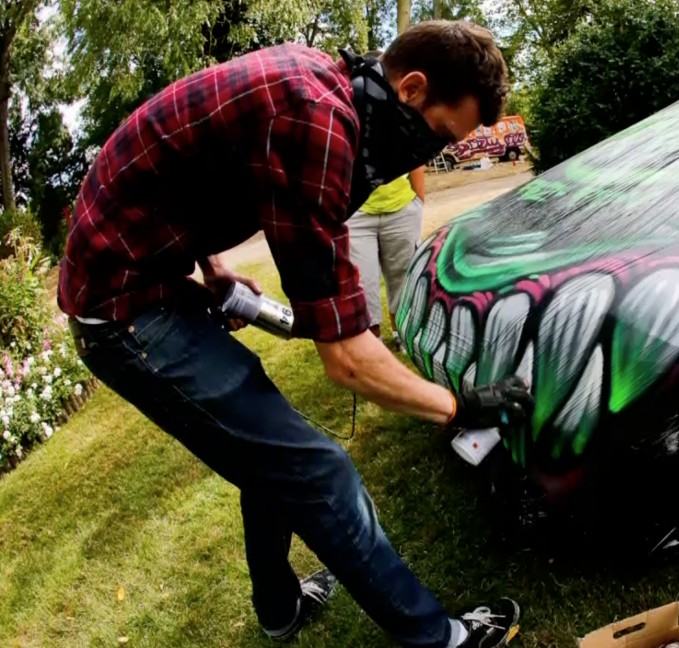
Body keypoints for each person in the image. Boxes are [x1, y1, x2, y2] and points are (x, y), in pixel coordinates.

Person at [57, 20, 531, 648]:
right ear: (412, 89)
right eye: (439, 136)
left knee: (270, 456)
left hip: (148, 278)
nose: (426, 155)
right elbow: (349, 361)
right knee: (316, 468)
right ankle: (440, 640)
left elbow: (187, 167)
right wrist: (459, 406)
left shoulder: (321, 79)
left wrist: (215, 266)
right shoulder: (315, 120)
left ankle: (279, 611)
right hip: (123, 314)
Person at [347, 49, 426, 346]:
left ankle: (402, 335)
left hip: (401, 210)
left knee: (402, 279)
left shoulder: (403, 113)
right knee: (361, 283)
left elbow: (417, 159)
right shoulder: (352, 108)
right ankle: (372, 344)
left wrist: (417, 202)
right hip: (359, 215)